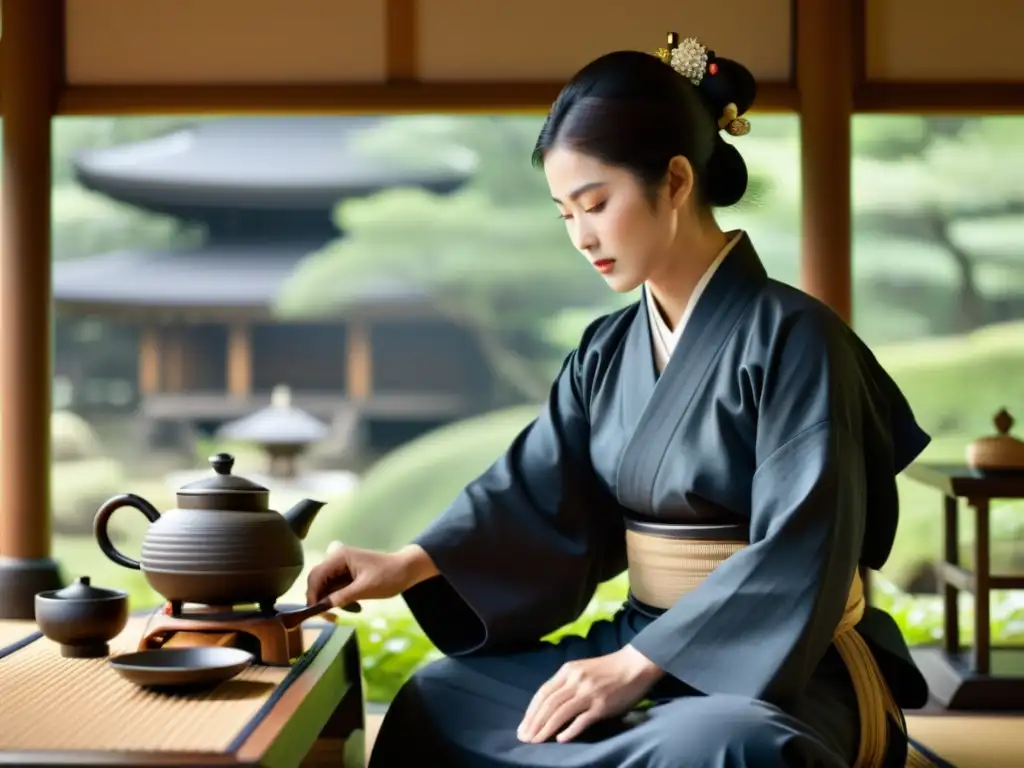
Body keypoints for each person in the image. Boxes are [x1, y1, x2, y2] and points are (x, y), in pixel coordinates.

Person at [307, 34, 935, 768]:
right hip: (640, 638)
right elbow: (537, 495)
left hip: (777, 666)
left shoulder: (800, 340)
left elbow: (807, 550)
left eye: (596, 203)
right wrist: (407, 564)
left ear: (673, 181)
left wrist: (639, 666)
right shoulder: (607, 350)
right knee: (438, 700)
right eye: (564, 213)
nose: (582, 236)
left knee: (730, 749)